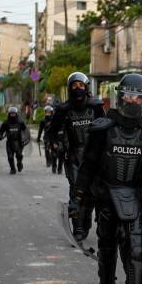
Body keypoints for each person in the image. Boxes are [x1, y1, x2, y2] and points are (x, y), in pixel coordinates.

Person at [75, 74, 142, 284]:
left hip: (137, 196)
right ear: (120, 97)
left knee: (136, 251)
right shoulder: (103, 129)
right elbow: (88, 165)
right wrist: (79, 197)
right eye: (129, 96)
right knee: (108, 246)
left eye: (139, 97)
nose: (133, 101)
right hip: (107, 196)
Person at [49, 72, 105, 241]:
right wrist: (55, 144)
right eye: (74, 86)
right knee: (76, 191)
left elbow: (107, 128)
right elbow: (51, 132)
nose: (78, 88)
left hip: (95, 156)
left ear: (86, 87)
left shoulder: (96, 106)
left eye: (81, 85)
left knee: (95, 193)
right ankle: (78, 227)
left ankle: (91, 221)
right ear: (69, 88)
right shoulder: (63, 110)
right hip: (74, 155)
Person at [0, 107, 27, 174]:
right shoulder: (6, 122)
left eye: (14, 113)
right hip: (9, 142)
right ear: (9, 114)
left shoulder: (20, 122)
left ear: (16, 114)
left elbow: (25, 131)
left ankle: (19, 164)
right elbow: (1, 131)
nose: (12, 115)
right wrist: (0, 136)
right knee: (10, 157)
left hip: (19, 142)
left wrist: (25, 138)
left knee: (19, 155)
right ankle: (13, 169)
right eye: (11, 113)